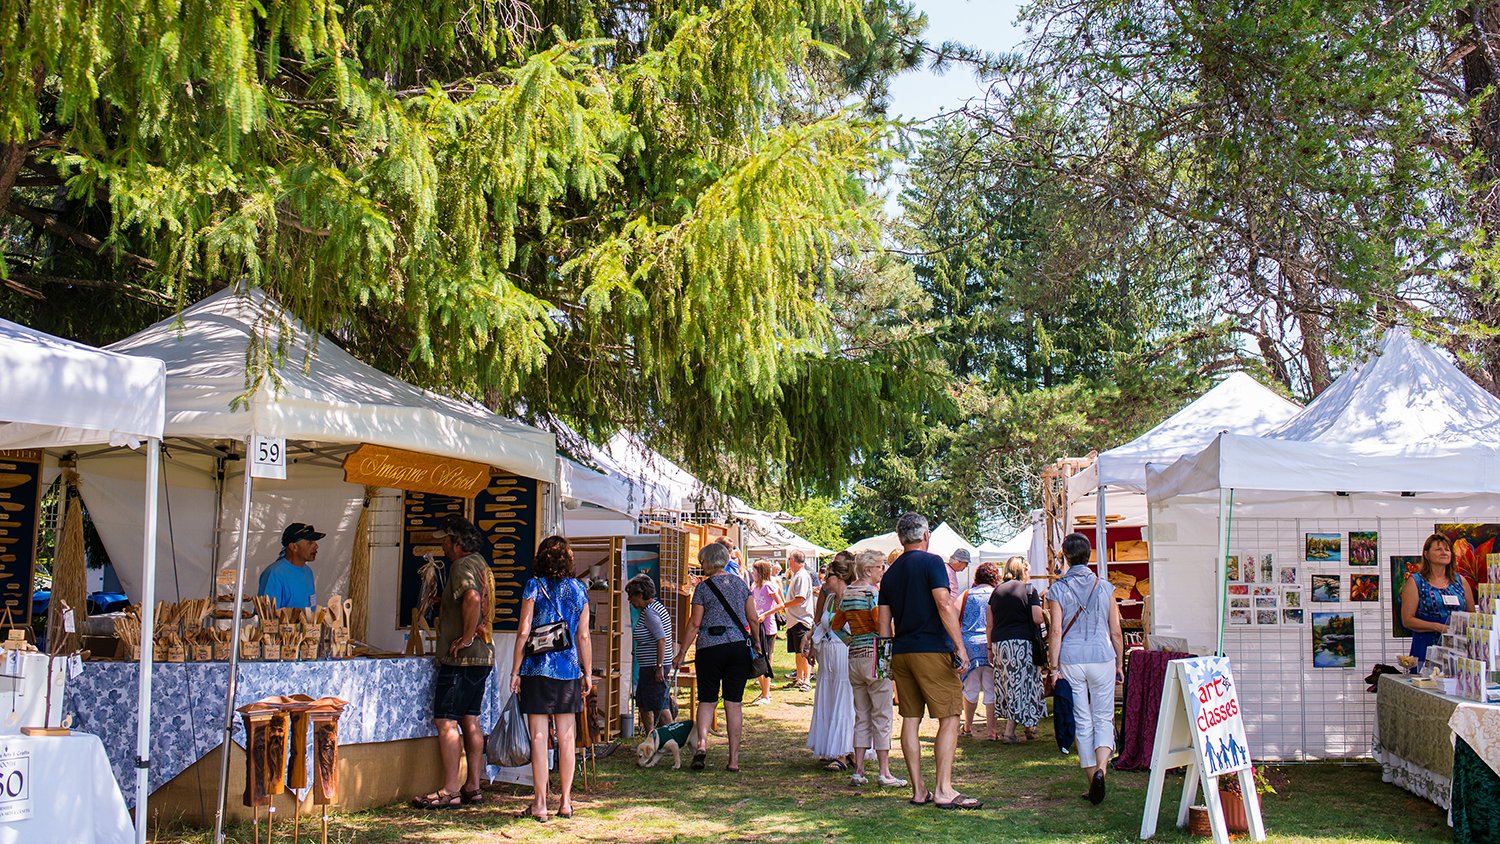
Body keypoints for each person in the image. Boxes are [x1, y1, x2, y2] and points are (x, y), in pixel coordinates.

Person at [877, 512, 981, 810]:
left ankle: (919, 790)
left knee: (910, 719)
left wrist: (886, 662)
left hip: (901, 652)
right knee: (950, 716)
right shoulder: (933, 561)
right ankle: (944, 789)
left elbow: (884, 623)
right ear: (925, 536)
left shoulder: (890, 573)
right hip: (932, 649)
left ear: (901, 538)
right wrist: (960, 647)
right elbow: (944, 603)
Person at [412, 516, 494, 809]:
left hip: (461, 659)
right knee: (470, 718)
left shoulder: (461, 566)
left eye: (446, 541)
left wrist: (466, 637)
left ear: (458, 543)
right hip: (482, 657)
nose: (443, 546)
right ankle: (472, 785)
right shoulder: (480, 562)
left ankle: (450, 789)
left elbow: (472, 598)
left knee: (445, 720)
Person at [511, 536, 593, 822]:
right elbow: (583, 635)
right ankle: (567, 801)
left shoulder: (534, 586)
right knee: (567, 737)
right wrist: (588, 672)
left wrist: (515, 670)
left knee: (538, 737)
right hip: (568, 670)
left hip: (535, 669)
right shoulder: (579, 589)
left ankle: (540, 803)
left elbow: (523, 631)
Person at [1046, 532, 1124, 805]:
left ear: (1065, 557)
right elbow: (1115, 631)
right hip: (1102, 655)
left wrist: (1053, 668)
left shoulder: (1057, 589)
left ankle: (1093, 779)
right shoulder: (1105, 587)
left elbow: (1056, 631)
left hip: (1072, 658)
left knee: (1081, 718)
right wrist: (1119, 662)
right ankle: (1102, 769)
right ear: (1088, 555)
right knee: (1103, 716)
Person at [674, 542, 757, 772]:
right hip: (737, 647)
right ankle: (733, 759)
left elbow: (694, 623)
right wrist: (758, 643)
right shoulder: (740, 585)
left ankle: (702, 745)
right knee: (734, 702)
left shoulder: (703, 588)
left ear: (709, 562)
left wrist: (682, 652)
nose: (701, 567)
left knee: (707, 699)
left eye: (702, 562)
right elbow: (753, 618)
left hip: (709, 647)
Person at [835, 549, 906, 788]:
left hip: (855, 656)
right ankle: (884, 771)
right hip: (876, 655)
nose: (882, 571)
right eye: (879, 567)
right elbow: (880, 623)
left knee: (861, 714)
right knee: (882, 714)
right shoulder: (871, 594)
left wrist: (852, 640)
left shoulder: (847, 593)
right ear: (868, 569)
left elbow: (836, 626)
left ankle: (859, 770)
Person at [988, 555, 1046, 743]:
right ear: (1023, 570)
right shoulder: (1029, 590)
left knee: (1008, 684)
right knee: (1022, 684)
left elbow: (989, 623)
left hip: (999, 643)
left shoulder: (996, 591)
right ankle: (1009, 732)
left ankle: (1029, 726)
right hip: (1022, 643)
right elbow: (1037, 618)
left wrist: (989, 647)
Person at [806, 554, 855, 769]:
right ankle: (830, 746)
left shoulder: (853, 598)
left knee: (844, 700)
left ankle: (844, 752)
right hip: (827, 657)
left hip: (845, 655)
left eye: (830, 576)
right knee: (828, 698)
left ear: (842, 576)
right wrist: (810, 642)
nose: (825, 580)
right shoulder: (829, 599)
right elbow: (821, 625)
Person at [1401, 533, 1476, 665]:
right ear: (1426, 554)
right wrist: (1437, 627)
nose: (1444, 552)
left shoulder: (1460, 581)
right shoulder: (1416, 582)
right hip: (1427, 645)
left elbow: (1472, 616)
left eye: (1447, 550)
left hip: (1458, 647)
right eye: (1438, 549)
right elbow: (1407, 620)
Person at [626, 574, 675, 732]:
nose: (630, 600)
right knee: (645, 703)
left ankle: (672, 737)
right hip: (650, 666)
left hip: (654, 668)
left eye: (631, 596)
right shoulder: (655, 608)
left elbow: (661, 639)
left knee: (659, 704)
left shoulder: (650, 612)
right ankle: (651, 738)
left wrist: (659, 667)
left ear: (640, 595)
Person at [957, 561, 998, 739]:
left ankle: (967, 726)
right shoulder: (996, 594)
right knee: (991, 688)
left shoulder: (966, 594)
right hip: (990, 643)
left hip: (969, 645)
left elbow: (953, 612)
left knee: (970, 687)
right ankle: (992, 730)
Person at [257, 522, 322, 610]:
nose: (316, 546)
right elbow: (267, 617)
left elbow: (311, 607)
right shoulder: (274, 574)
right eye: (310, 542)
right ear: (293, 547)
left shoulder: (308, 572)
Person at [749, 561, 784, 705]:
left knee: (765, 659)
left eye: (754, 571)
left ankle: (766, 695)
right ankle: (764, 692)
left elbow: (781, 604)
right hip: (756, 626)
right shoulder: (754, 587)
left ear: (761, 572)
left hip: (767, 628)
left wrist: (765, 614)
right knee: (757, 658)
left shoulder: (768, 585)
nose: (752, 573)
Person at [782, 550, 815, 690]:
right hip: (795, 620)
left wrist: (783, 605)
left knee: (804, 651)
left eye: (789, 559)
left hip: (801, 619)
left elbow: (800, 599)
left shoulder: (802, 576)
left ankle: (807, 680)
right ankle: (799, 678)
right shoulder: (797, 575)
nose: (788, 562)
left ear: (793, 561)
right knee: (797, 651)